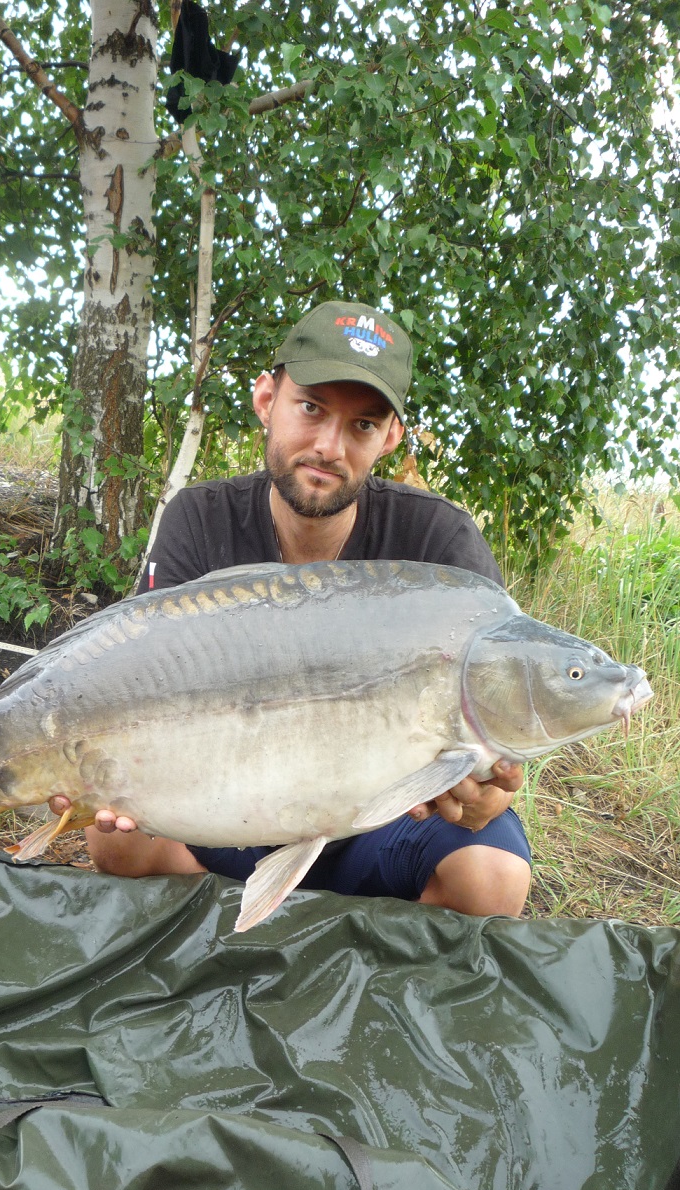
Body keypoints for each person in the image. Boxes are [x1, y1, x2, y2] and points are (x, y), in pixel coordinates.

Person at [53, 300, 532, 917]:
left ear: (390, 437)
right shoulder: (199, 520)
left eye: (362, 425)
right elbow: (136, 688)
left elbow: (489, 751)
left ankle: (356, 959)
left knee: (490, 880)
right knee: (113, 841)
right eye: (311, 409)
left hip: (381, 820)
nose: (328, 446)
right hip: (227, 808)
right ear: (265, 399)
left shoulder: (440, 550)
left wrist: (485, 794)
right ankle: (234, 934)